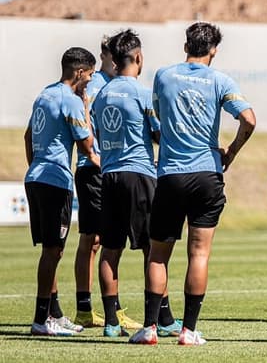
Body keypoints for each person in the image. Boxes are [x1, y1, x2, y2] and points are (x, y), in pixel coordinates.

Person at [129, 22, 256, 346]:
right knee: (198, 254)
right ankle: (188, 331)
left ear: (186, 44)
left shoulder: (163, 75)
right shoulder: (220, 80)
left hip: (170, 174)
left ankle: (150, 329)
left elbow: (157, 113)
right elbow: (249, 119)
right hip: (206, 174)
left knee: (158, 255)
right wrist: (231, 151)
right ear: (213, 49)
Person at [94, 29, 178, 337]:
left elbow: (100, 136)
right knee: (152, 251)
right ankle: (155, 321)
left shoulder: (101, 94)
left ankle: (111, 322)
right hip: (140, 174)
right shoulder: (143, 93)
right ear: (138, 57)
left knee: (110, 250)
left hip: (109, 176)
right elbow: (158, 133)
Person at [25, 47, 100, 336]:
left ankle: (54, 314)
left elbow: (27, 136)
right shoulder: (70, 100)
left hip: (35, 177)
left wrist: (39, 166)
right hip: (55, 182)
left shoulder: (44, 94)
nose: (90, 82)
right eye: (90, 76)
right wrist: (84, 106)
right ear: (79, 73)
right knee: (53, 251)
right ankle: (41, 320)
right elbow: (86, 143)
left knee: (51, 250)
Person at [73, 36, 115, 328]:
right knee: (91, 239)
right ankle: (84, 307)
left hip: (112, 169)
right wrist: (94, 155)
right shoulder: (94, 84)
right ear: (104, 55)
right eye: (113, 55)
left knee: (106, 240)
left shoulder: (118, 84)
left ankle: (108, 307)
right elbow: (84, 122)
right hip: (93, 167)